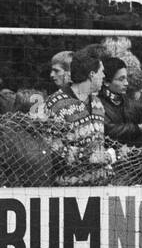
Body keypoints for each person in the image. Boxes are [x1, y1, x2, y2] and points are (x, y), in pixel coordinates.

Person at [45, 49, 114, 186]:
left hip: (101, 186)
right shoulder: (55, 104)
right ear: (92, 75)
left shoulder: (97, 103)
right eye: (102, 72)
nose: (104, 76)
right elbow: (53, 150)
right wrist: (98, 157)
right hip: (70, 189)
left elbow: (98, 143)